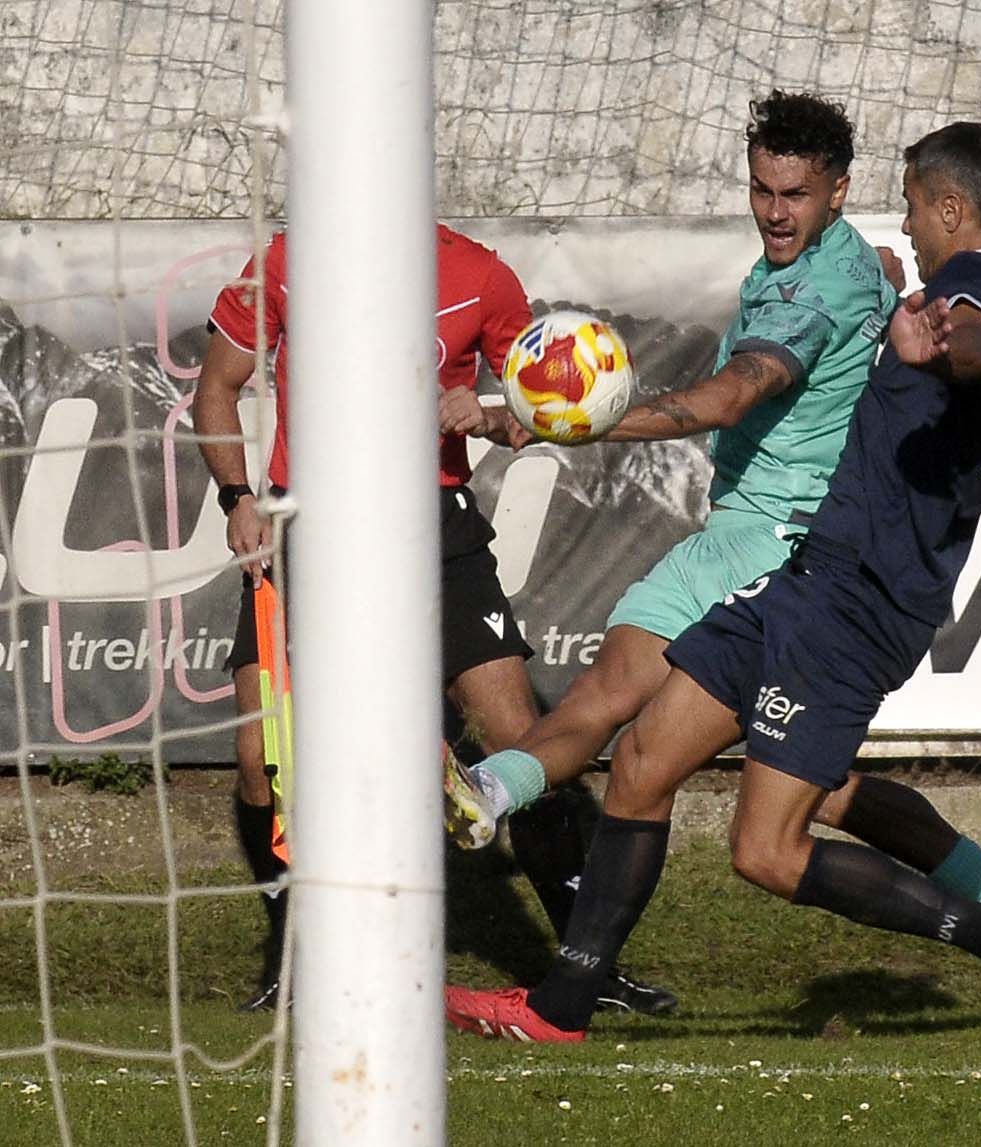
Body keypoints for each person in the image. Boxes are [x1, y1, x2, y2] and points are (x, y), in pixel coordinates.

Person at [443, 124, 981, 1043]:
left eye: (912, 205)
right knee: (643, 759)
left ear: (949, 207)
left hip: (861, 600)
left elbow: (978, 337)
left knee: (768, 852)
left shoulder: (971, 292)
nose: (906, 223)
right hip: (807, 572)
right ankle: (559, 1009)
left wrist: (946, 345)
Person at [193, 223, 676, 1015]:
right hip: (304, 524)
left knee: (523, 740)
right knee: (259, 757)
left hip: (433, 528)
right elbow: (216, 385)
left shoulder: (478, 274)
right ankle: (293, 959)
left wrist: (486, 411)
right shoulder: (285, 258)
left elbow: (531, 413)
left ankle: (586, 964)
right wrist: (236, 497)